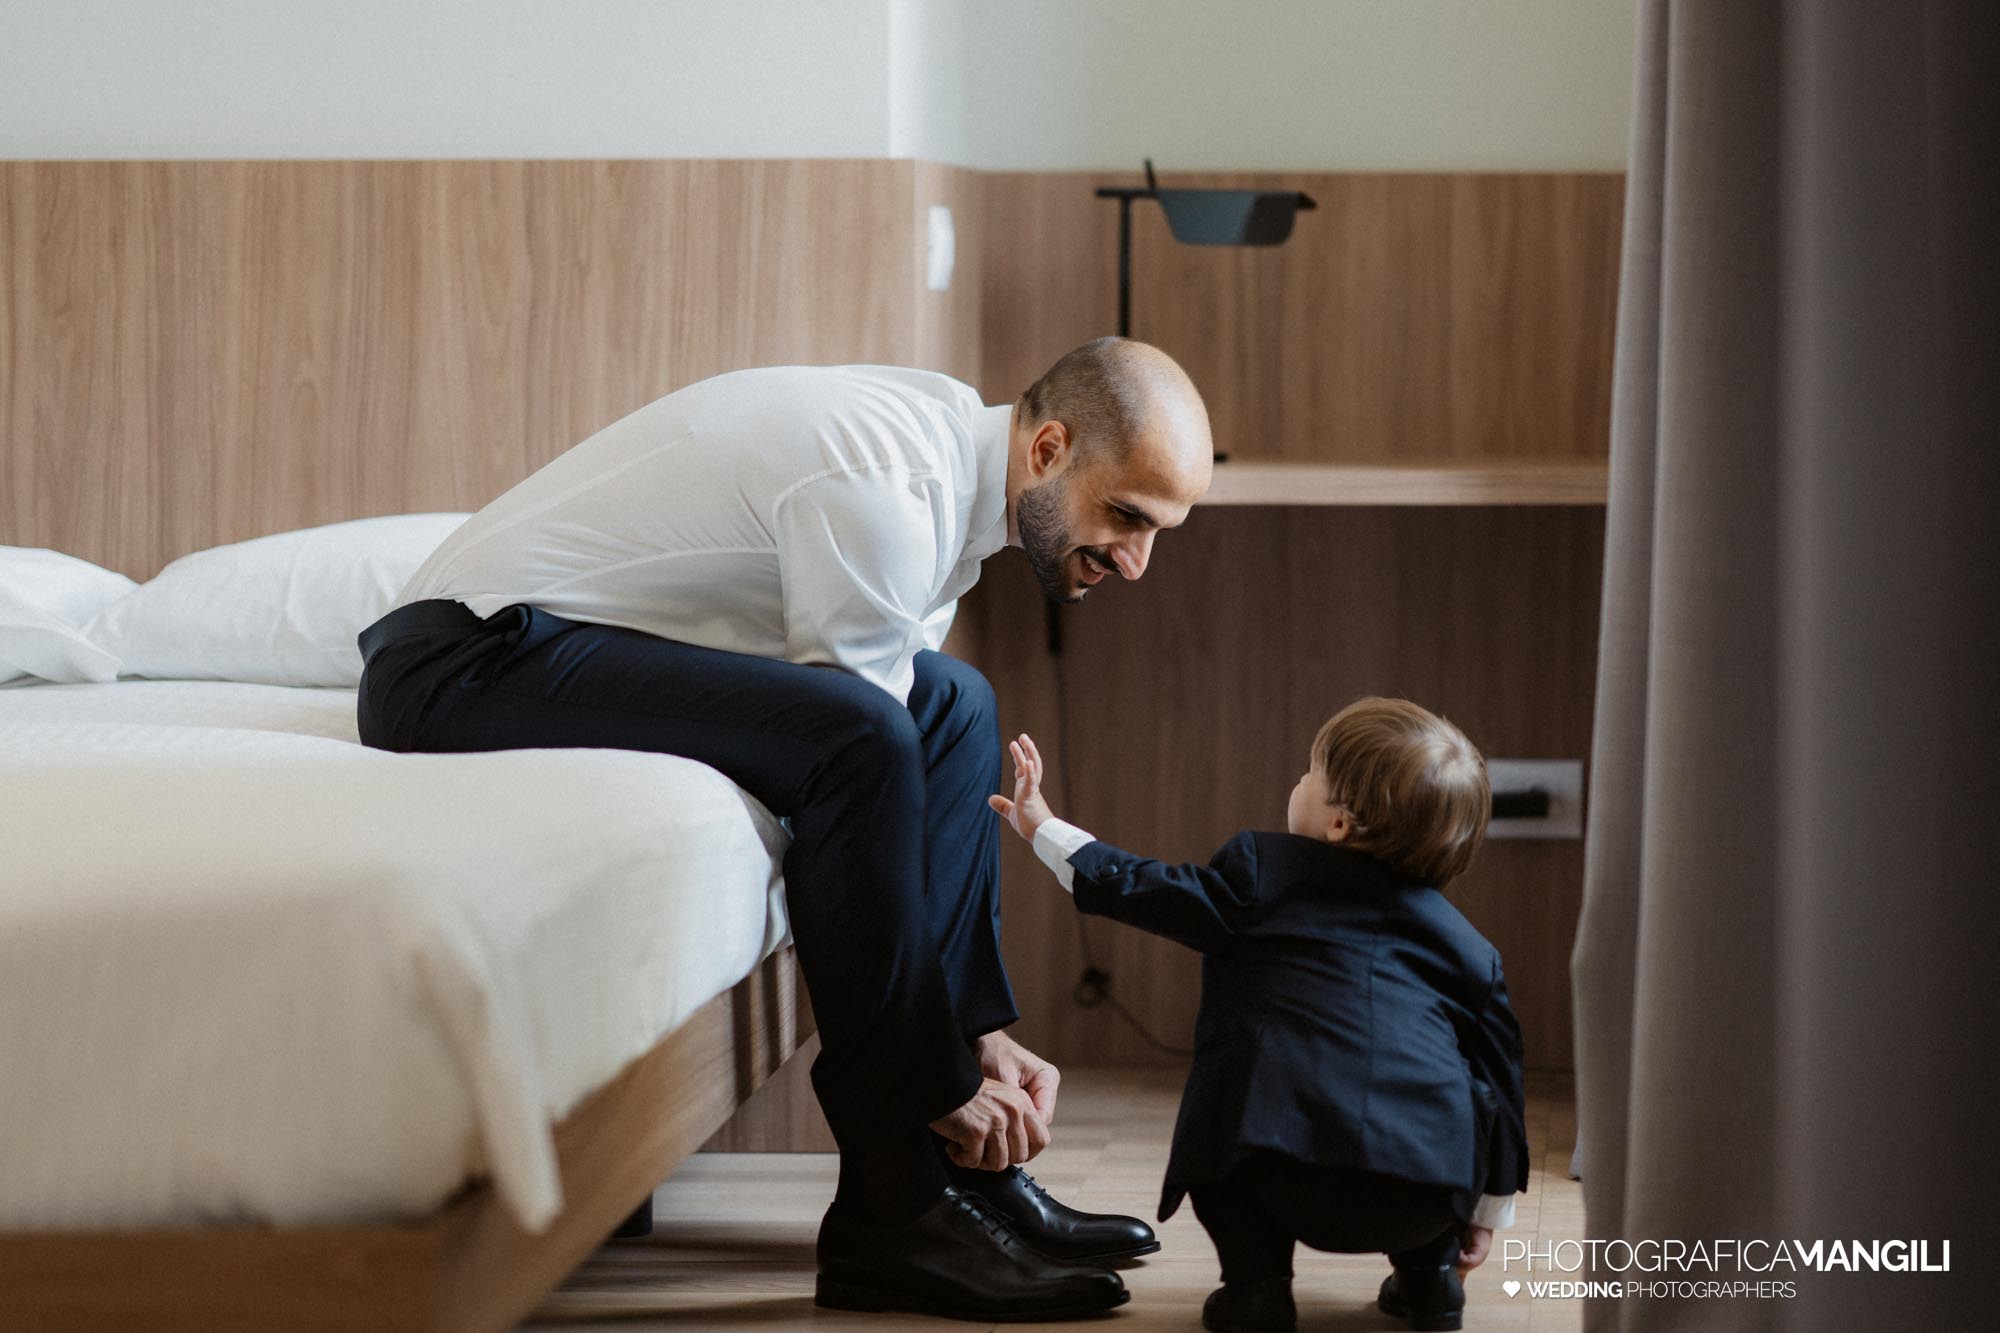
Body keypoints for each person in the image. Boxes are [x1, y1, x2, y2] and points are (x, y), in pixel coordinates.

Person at [354, 338, 1214, 1321]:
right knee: (860, 741)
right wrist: (929, 1073)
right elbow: (862, 759)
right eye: (1125, 518)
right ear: (1051, 448)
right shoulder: (883, 489)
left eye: (1160, 532)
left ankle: (963, 1172)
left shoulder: (951, 466)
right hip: (458, 665)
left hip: (555, 642)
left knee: (957, 708)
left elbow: (909, 733)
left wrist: (969, 1033)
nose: (1137, 563)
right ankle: (891, 1205)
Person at [990, 698, 1529, 1333]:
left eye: (1310, 772)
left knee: (1232, 1143)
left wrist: (1045, 828)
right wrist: (1486, 1214)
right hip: (1422, 1191)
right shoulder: (1471, 952)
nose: (1298, 781)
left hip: (1278, 1170)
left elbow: (1150, 889)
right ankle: (1430, 1282)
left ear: (1338, 824)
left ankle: (1257, 1289)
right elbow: (1501, 1089)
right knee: (1459, 1104)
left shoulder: (1263, 875)